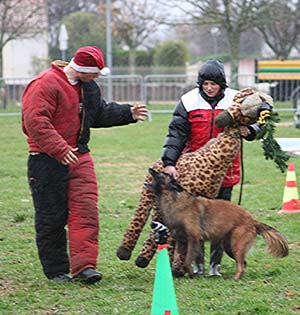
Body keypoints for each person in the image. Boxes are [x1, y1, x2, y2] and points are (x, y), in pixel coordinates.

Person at [22, 46, 148, 284]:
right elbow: (35, 121)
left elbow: (97, 113)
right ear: (82, 69)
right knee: (52, 217)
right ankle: (57, 270)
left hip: (79, 155)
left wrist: (127, 113)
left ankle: (85, 267)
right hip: (46, 159)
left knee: (86, 212)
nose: (98, 77)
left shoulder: (87, 86)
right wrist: (59, 149)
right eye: (96, 73)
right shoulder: (45, 84)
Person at [161, 59, 261, 277]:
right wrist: (169, 162)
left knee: (220, 220)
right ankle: (197, 264)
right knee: (194, 222)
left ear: (221, 84)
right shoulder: (188, 100)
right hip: (197, 173)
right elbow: (176, 134)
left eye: (213, 84)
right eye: (205, 84)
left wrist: (251, 130)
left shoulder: (236, 99)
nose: (209, 88)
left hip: (227, 170)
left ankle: (215, 265)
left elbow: (262, 115)